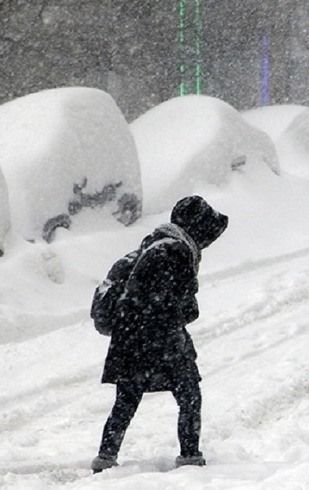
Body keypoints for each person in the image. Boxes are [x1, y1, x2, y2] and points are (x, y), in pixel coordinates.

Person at [91, 195, 228, 473]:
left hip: (130, 340)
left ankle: (105, 458)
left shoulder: (150, 245)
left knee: (126, 400)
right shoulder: (175, 252)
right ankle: (190, 458)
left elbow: (134, 297)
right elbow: (179, 306)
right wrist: (174, 316)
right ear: (197, 228)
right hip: (159, 340)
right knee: (189, 393)